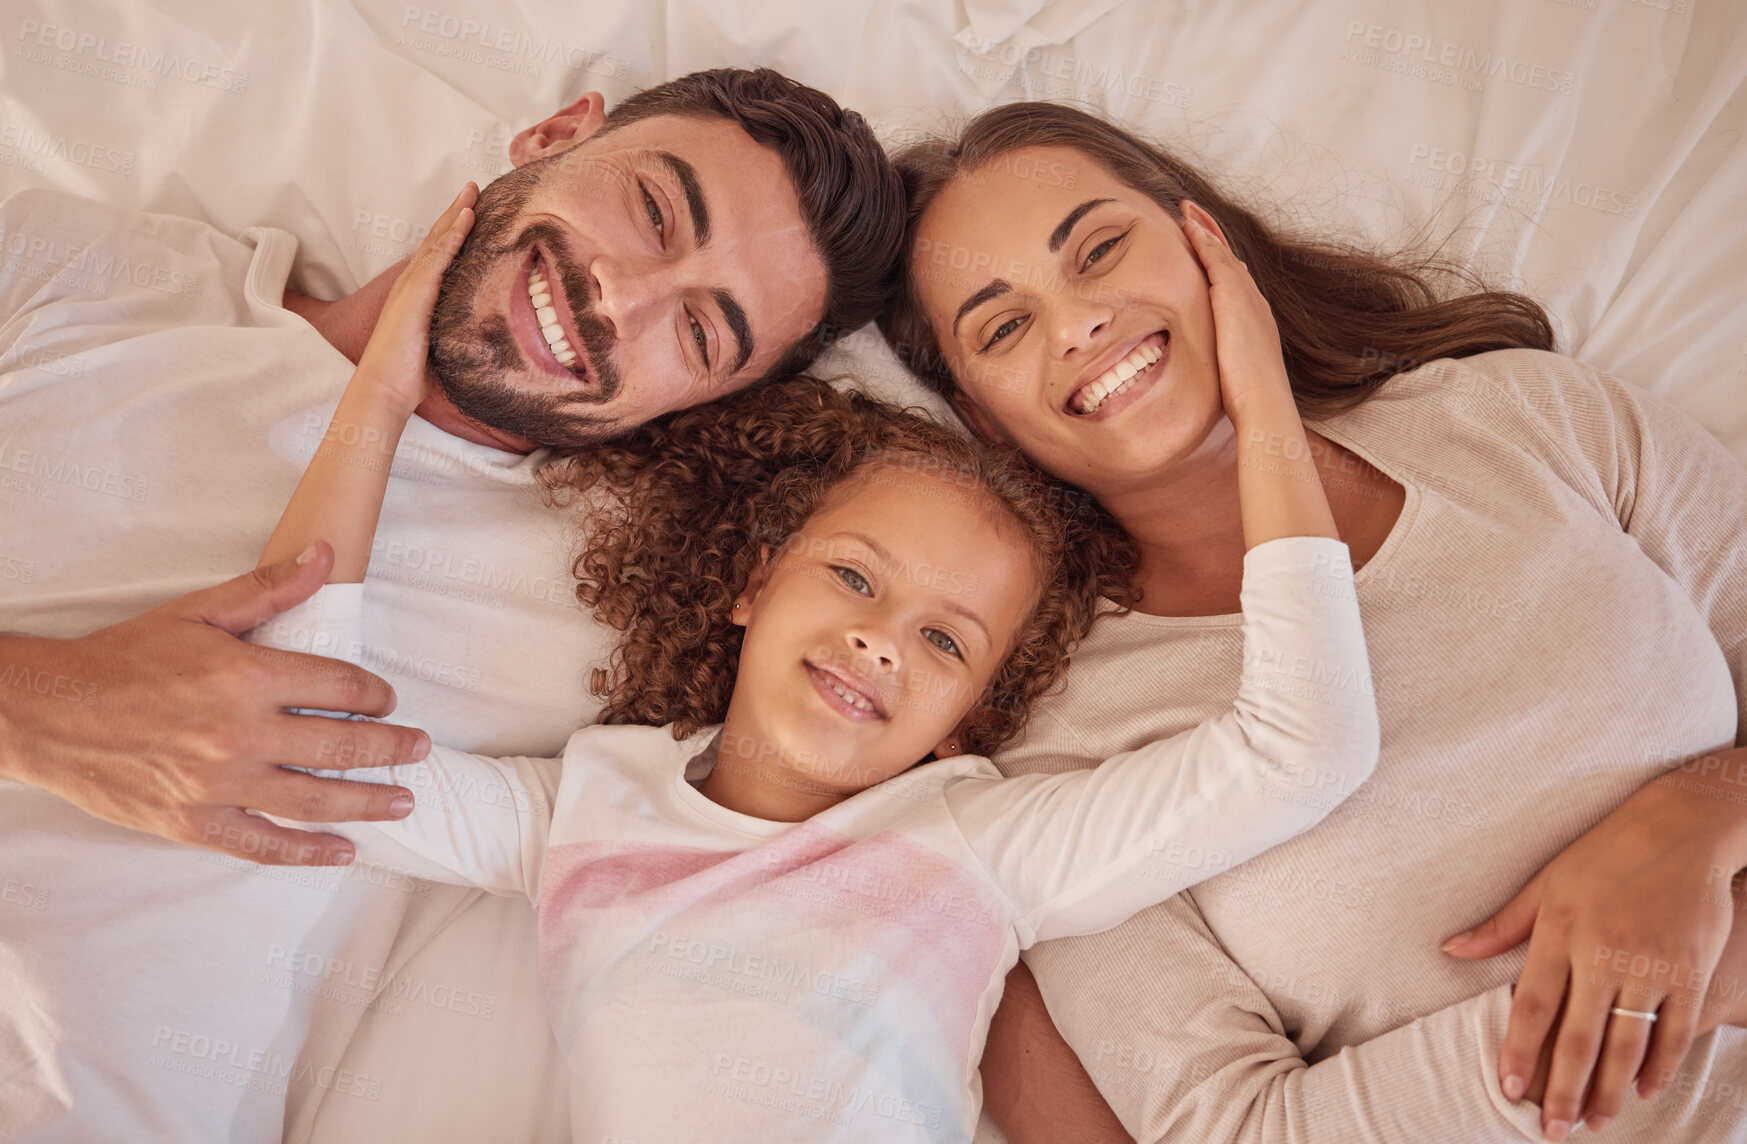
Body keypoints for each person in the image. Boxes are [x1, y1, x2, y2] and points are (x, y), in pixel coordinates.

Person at [242, 181, 1377, 1143]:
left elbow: (1301, 746)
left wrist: (1259, 400)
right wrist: (376, 399)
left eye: (943, 642)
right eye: (853, 576)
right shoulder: (586, 805)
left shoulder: (975, 843)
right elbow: (304, 760)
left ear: (965, 718)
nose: (882, 638)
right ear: (750, 582)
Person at [0, 69, 902, 1142]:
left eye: (701, 334)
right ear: (557, 133)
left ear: (702, 401)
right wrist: (38, 709)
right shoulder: (87, 275)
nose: (626, 296)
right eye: (654, 210)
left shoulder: (616, 615)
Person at [880, 102, 1747, 1143]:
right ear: (982, 415)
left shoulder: (1524, 416)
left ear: (1205, 237)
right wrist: (1699, 968)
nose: (1075, 325)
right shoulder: (1062, 747)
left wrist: (1697, 814)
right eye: (1004, 326)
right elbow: (1229, 1128)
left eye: (1100, 249)